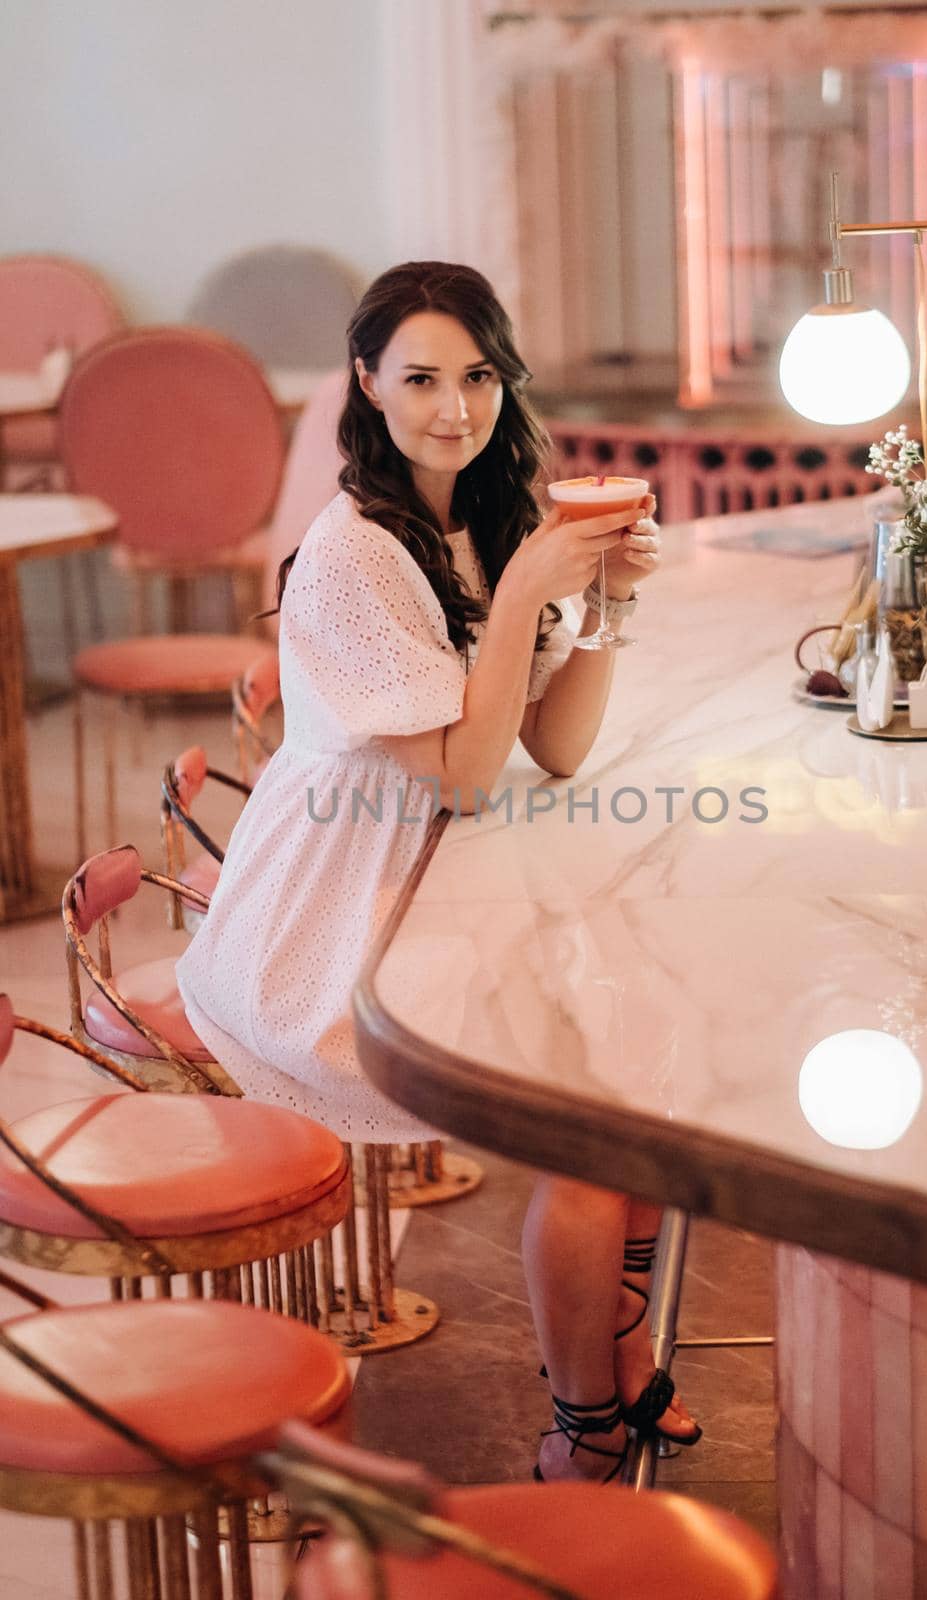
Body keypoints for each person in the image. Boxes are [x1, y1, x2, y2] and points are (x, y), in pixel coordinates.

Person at [176, 260, 699, 1481]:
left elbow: (553, 746)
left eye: (475, 376)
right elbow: (462, 776)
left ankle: (614, 1340)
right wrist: (523, 595)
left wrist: (607, 605)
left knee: (652, 1057)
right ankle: (580, 1427)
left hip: (449, 877)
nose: (453, 407)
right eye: (419, 378)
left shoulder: (487, 510)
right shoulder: (352, 552)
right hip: (342, 916)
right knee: (589, 1129)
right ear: (365, 382)